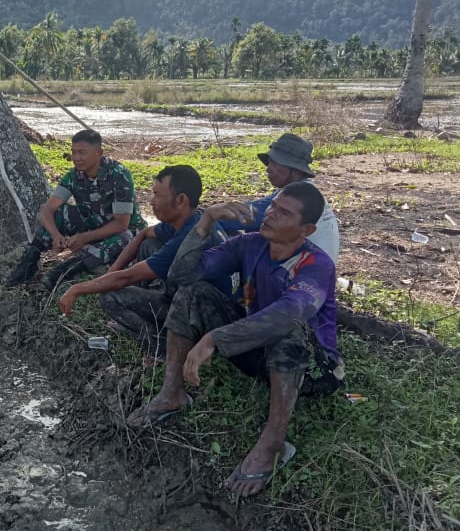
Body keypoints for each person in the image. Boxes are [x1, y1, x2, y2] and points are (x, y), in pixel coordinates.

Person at [127, 181, 342, 498]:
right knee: (192, 293)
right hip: (258, 352)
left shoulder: (316, 265)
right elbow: (181, 275)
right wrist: (205, 222)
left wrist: (214, 338)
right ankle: (171, 393)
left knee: (290, 328)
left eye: (284, 213)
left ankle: (272, 442)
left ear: (306, 229)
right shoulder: (250, 244)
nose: (271, 214)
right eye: (273, 206)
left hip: (311, 370)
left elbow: (289, 314)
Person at [57, 165, 202, 358]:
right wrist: (110, 273)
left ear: (181, 200)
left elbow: (126, 277)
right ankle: (144, 315)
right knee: (148, 244)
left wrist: (77, 289)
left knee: (110, 297)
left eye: (158, 195)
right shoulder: (190, 219)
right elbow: (143, 234)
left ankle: (159, 346)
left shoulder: (187, 239)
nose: (152, 201)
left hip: (193, 316)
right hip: (183, 296)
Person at [5, 129, 146, 290]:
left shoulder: (118, 175)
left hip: (123, 230)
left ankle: (65, 271)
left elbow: (121, 224)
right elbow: (47, 209)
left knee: (125, 237)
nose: (76, 158)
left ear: (99, 153)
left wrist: (84, 238)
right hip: (93, 223)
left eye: (82, 153)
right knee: (57, 214)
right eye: (73, 152)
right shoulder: (74, 176)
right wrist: (56, 235)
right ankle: (28, 263)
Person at [211, 132, 339, 263]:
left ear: (294, 169)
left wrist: (208, 216)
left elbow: (230, 218)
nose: (268, 169)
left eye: (274, 163)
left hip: (298, 268)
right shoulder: (307, 191)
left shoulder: (293, 199)